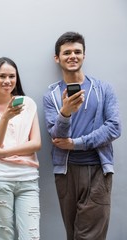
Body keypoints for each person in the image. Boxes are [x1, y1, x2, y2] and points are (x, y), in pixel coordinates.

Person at [43, 32, 122, 240]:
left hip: (98, 170)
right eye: (66, 52)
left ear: (84, 56)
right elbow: (57, 136)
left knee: (89, 237)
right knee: (73, 234)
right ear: (57, 58)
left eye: (77, 52)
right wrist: (65, 112)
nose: (72, 56)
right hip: (65, 173)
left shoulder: (104, 89)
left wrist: (77, 144)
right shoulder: (51, 96)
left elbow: (114, 127)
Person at [0, 57, 41, 240]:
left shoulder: (28, 104)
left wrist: (3, 153)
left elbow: (35, 144)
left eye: (12, 76)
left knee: (31, 236)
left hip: (28, 179)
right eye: (2, 76)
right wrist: (5, 118)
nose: (7, 81)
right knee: (5, 235)